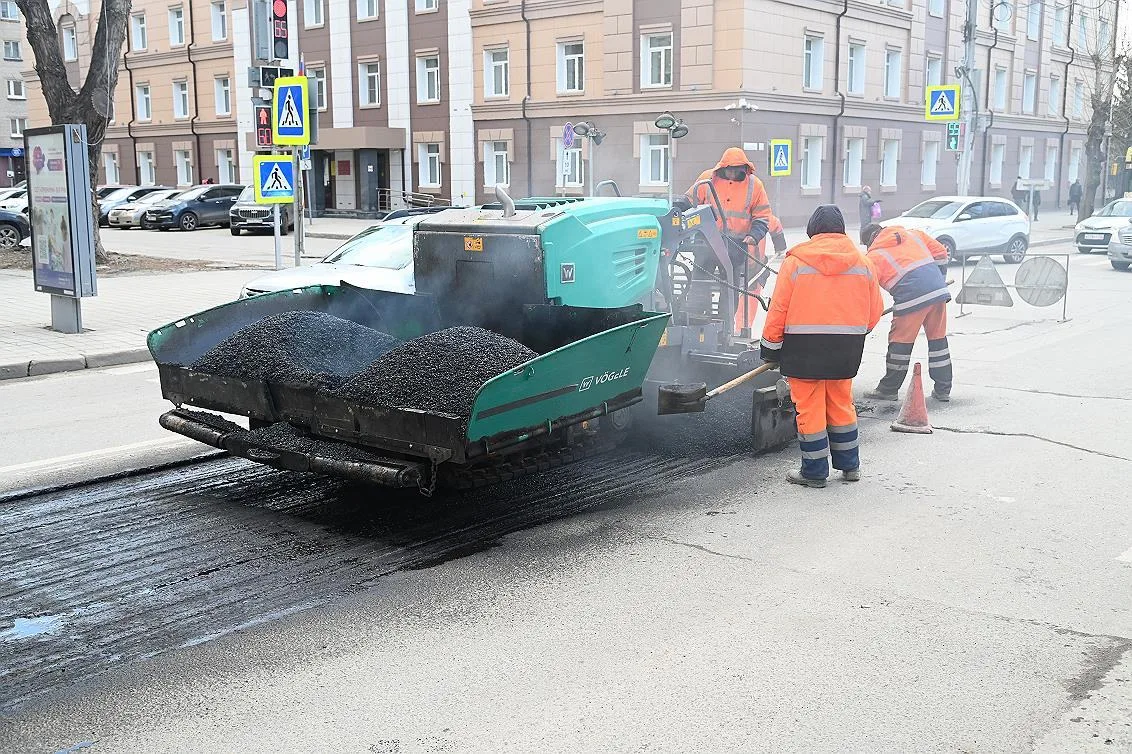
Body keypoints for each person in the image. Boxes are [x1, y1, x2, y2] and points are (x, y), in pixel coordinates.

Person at [761, 205, 884, 489]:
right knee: (841, 404)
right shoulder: (863, 264)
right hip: (845, 351)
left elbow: (778, 309)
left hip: (804, 351)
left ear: (811, 231)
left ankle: (815, 472)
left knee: (810, 409)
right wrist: (852, 332)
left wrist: (770, 349)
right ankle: (850, 467)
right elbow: (874, 312)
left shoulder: (795, 262)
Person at [860, 223, 953, 402]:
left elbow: (868, 294)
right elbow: (941, 252)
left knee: (900, 344)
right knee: (938, 342)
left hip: (911, 297)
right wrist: (939, 280)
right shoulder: (913, 234)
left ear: (870, 240)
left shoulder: (873, 257)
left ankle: (888, 389)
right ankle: (943, 389)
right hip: (938, 293)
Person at [685, 147, 772, 321]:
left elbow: (762, 216)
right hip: (706, 242)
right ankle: (696, 318)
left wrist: (754, 236)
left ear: (744, 169)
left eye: (737, 170)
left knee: (730, 287)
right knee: (700, 281)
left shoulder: (755, 185)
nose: (732, 174)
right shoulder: (706, 179)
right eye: (729, 170)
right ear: (722, 168)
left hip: (736, 245)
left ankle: (725, 324)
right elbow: (688, 201)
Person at [734, 213, 787, 332]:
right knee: (736, 304)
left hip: (754, 269)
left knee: (746, 308)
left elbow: (775, 224)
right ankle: (738, 331)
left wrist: (780, 245)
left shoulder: (761, 218)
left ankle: (740, 332)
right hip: (736, 266)